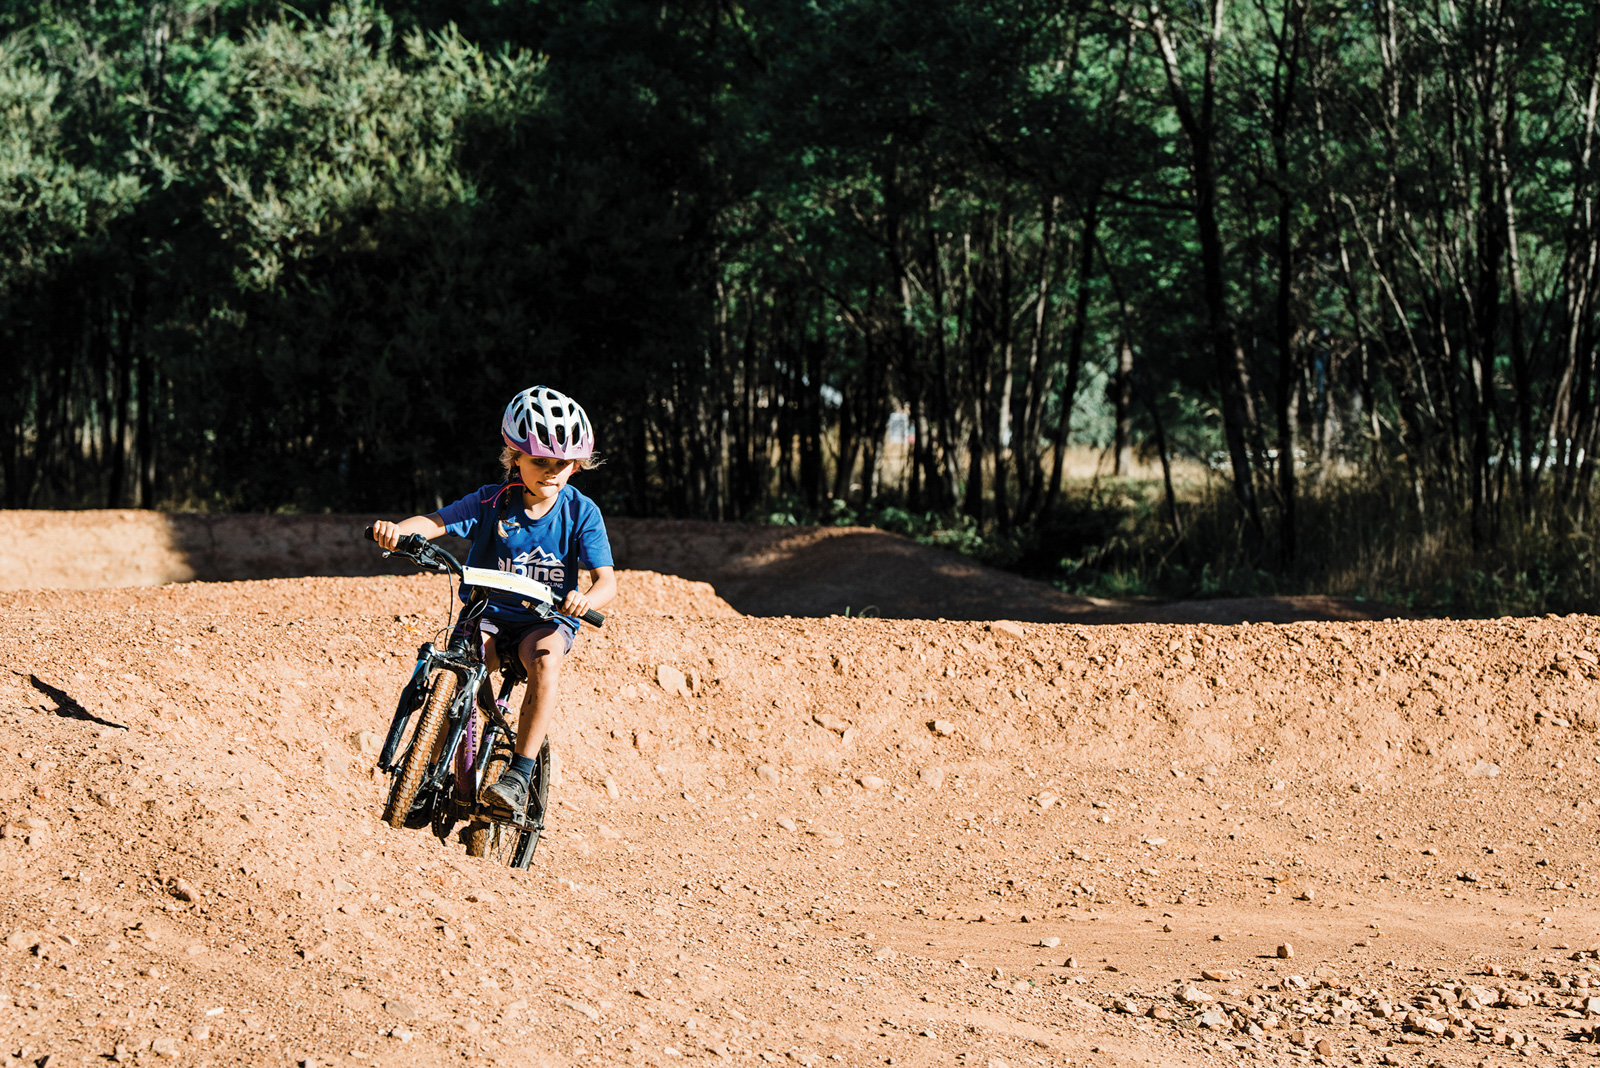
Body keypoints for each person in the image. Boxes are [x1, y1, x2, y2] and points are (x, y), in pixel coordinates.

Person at [370, 385, 616, 815]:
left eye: (564, 463)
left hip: (544, 621)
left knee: (544, 658)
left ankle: (519, 773)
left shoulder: (582, 512)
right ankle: (430, 770)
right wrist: (397, 531)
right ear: (514, 456)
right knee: (458, 663)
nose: (552, 471)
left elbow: (606, 582)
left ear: (577, 464)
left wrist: (585, 597)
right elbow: (436, 522)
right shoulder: (490, 501)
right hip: (486, 613)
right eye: (539, 460)